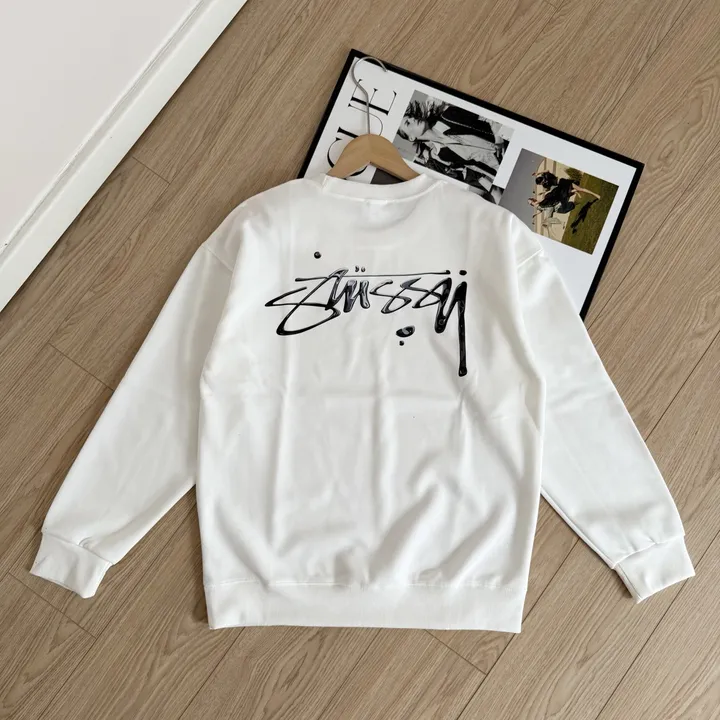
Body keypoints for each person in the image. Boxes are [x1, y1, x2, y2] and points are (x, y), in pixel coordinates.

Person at [398, 99, 510, 176]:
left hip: (509, 145)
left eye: (411, 117)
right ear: (411, 138)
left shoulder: (449, 115)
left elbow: (487, 114)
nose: (413, 119)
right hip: (501, 168)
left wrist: (498, 138)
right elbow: (475, 166)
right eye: (408, 123)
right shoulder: (443, 154)